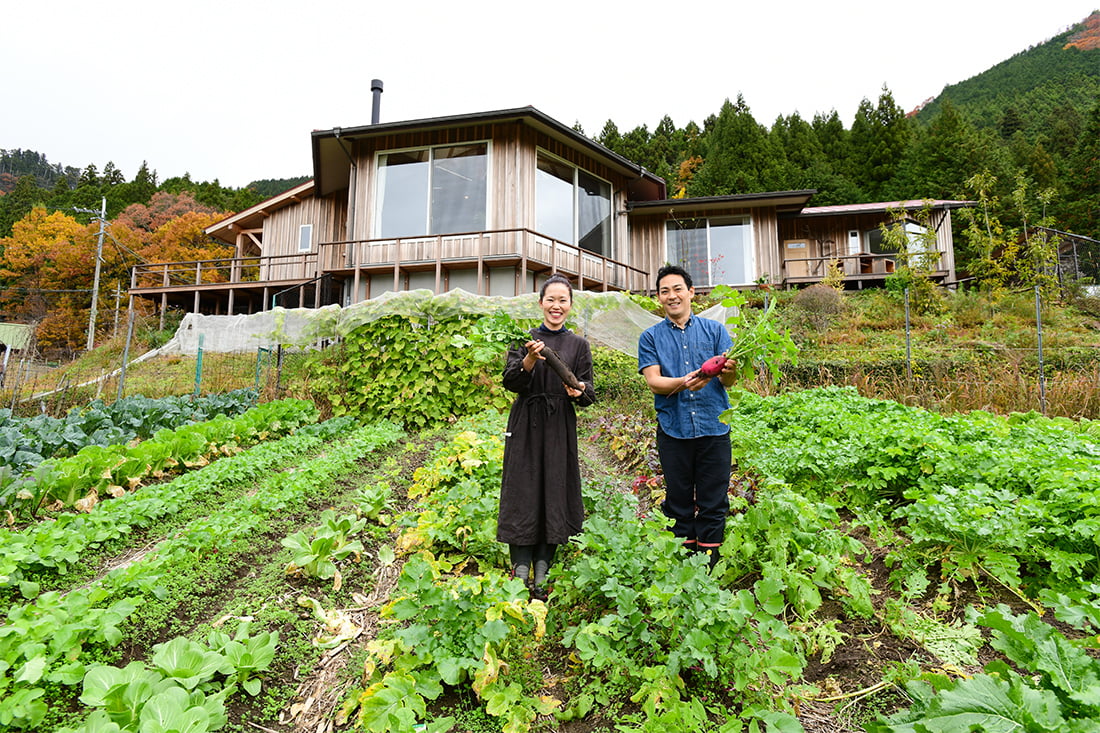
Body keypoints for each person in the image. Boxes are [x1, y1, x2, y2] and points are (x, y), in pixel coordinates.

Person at [498, 274, 596, 600]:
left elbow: (589, 393)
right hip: (526, 421)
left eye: (562, 300)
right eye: (550, 300)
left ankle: (543, 567)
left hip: (558, 425)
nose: (556, 306)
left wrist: (576, 390)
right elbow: (510, 381)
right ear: (541, 303)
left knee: (555, 489)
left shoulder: (579, 345)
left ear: (570, 305)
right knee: (523, 489)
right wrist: (528, 359)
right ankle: (521, 566)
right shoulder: (523, 338)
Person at [637, 265, 736, 568]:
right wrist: (685, 380)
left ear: (691, 293)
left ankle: (708, 563)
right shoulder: (650, 337)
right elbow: (654, 382)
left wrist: (728, 372)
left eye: (678, 289)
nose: (672, 296)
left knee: (713, 500)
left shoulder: (716, 331)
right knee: (678, 500)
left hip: (713, 427)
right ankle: (684, 563)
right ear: (658, 298)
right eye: (665, 291)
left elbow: (728, 382)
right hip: (674, 428)